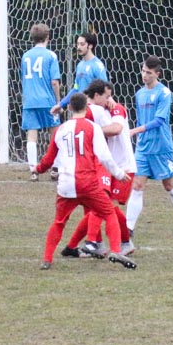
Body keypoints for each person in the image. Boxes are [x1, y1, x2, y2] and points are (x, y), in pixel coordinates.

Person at [34, 92, 136, 270]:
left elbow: (49, 159)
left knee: (59, 222)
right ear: (86, 107)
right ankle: (115, 250)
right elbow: (105, 157)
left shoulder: (60, 130)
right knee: (109, 213)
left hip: (66, 185)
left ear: (69, 107)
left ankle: (47, 259)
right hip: (88, 184)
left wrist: (38, 169)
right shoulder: (93, 128)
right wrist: (119, 174)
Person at [60, 79, 135, 258]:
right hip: (107, 166)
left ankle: (94, 243)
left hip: (123, 166)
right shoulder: (94, 110)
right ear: (96, 95)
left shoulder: (116, 109)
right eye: (107, 96)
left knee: (104, 206)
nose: (110, 100)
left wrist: (91, 131)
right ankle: (101, 243)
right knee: (100, 206)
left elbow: (116, 129)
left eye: (110, 96)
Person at [126, 55, 173, 237]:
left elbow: (159, 121)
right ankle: (128, 229)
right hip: (143, 148)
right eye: (143, 71)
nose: (144, 75)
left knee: (169, 185)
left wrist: (135, 131)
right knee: (137, 185)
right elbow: (141, 119)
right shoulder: (139, 94)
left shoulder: (164, 93)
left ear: (157, 74)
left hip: (161, 147)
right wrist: (138, 136)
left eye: (149, 73)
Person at [21, 23, 62, 182]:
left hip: (29, 101)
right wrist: (58, 101)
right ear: (47, 37)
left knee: (32, 135)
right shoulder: (51, 55)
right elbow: (54, 82)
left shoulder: (25, 56)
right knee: (55, 134)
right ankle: (55, 169)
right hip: (47, 100)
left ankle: (33, 170)